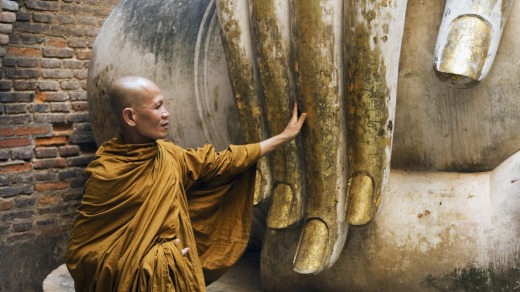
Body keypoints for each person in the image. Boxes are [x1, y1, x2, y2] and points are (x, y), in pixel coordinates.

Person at [65, 76, 307, 291]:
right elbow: (85, 254)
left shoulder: (169, 155)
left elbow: (224, 161)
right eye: (157, 106)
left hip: (174, 276)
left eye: (164, 104)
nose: (166, 112)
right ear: (130, 116)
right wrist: (152, 264)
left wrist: (283, 137)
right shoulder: (106, 171)